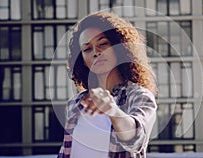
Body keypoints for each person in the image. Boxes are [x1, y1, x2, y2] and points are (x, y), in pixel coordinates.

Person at [58, 12, 158, 158]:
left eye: (103, 44)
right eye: (87, 49)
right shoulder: (75, 103)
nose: (96, 52)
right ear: (83, 60)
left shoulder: (139, 96)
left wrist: (112, 109)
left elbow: (136, 139)